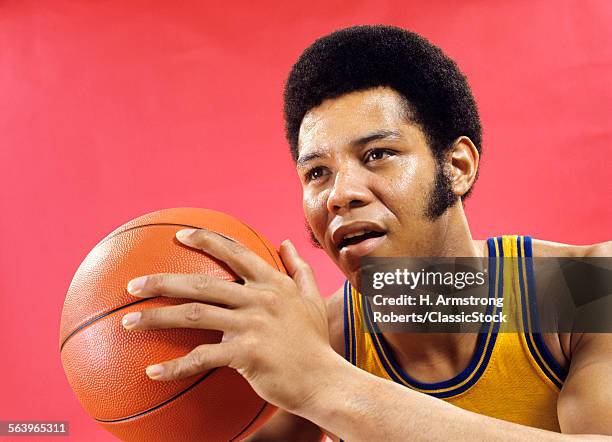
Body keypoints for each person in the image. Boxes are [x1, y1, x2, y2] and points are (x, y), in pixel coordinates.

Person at [120, 25, 612, 440]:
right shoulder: (317, 340)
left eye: (377, 154)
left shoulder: (585, 286)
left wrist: (326, 387)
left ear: (457, 166)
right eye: (317, 173)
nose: (340, 193)